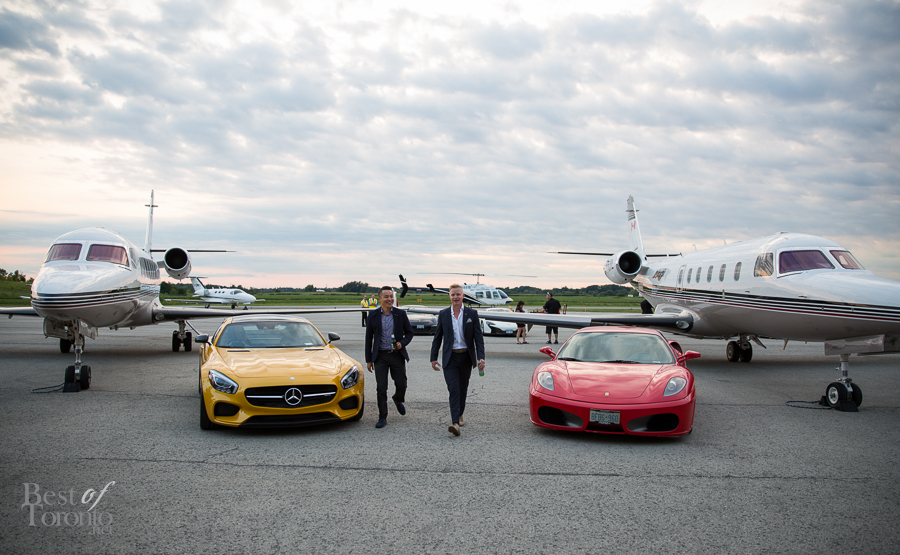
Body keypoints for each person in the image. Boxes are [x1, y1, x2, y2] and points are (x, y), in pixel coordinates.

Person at [430, 284, 485, 436]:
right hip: (450, 357)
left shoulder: (471, 314)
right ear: (449, 296)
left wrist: (481, 357)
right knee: (453, 388)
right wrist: (433, 357)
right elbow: (438, 337)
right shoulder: (443, 314)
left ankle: (460, 413)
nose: (455, 297)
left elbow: (478, 338)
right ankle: (455, 423)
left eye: (458, 294)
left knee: (462, 388)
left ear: (463, 296)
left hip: (466, 357)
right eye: (453, 294)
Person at [365, 286, 414, 429]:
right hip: (380, 356)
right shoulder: (373, 315)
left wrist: (402, 343)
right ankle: (382, 417)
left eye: (391, 296)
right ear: (379, 299)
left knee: (402, 384)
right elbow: (368, 338)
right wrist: (369, 359)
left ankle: (398, 399)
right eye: (386, 296)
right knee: (381, 388)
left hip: (396, 355)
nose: (389, 299)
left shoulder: (400, 314)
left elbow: (409, 333)